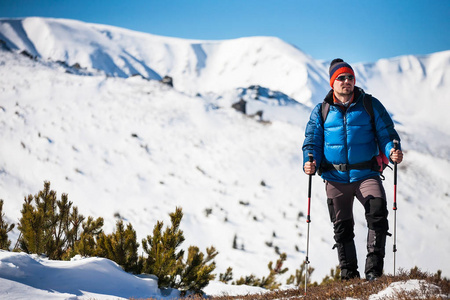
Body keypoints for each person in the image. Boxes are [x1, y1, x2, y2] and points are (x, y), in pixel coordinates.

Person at [302, 58, 403, 281]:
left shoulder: (370, 104)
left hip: (366, 174)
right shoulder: (321, 111)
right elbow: (312, 142)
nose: (347, 81)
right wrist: (310, 162)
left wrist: (391, 151)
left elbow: (387, 134)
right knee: (342, 227)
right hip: (334, 177)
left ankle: (373, 273)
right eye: (341, 78)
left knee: (377, 214)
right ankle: (349, 275)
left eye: (350, 77)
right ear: (332, 83)